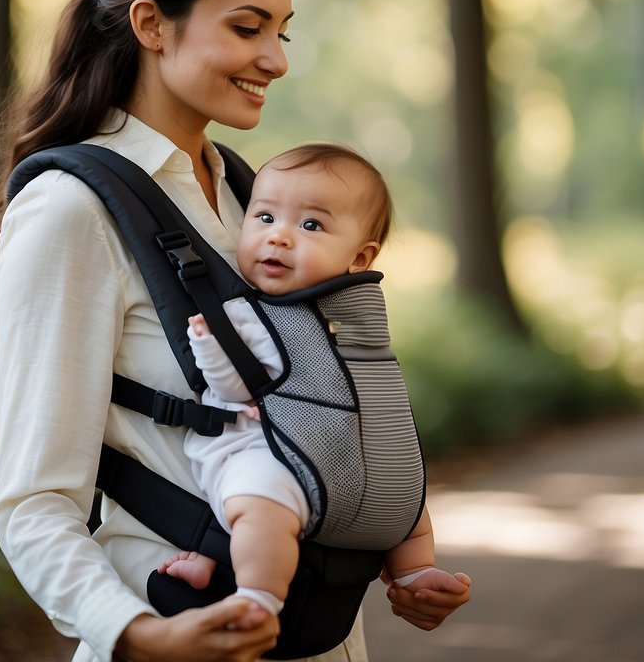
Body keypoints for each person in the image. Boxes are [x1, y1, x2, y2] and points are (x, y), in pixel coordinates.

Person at [0, 0, 471, 662]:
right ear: (151, 24)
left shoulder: (247, 195)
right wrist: (139, 637)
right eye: (246, 27)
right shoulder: (72, 211)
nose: (277, 59)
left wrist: (404, 562)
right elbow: (33, 502)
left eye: (282, 31)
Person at [159, 143, 471, 619]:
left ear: (360, 258)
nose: (279, 237)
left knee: (407, 505)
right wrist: (210, 346)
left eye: (310, 225)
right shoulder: (248, 316)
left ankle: (414, 573)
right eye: (264, 218)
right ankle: (256, 595)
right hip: (272, 454)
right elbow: (234, 388)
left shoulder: (347, 314)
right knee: (262, 507)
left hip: (347, 456)